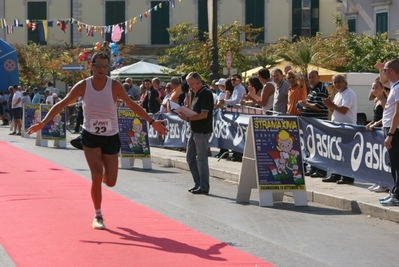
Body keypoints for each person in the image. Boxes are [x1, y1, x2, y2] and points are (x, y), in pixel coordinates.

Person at [27, 51, 167, 229]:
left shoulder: (114, 86)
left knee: (110, 181)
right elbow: (62, 103)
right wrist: (43, 123)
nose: (101, 69)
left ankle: (99, 179)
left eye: (104, 66)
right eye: (98, 65)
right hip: (90, 136)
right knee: (96, 174)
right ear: (91, 66)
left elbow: (132, 105)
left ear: (108, 68)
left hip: (110, 136)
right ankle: (98, 215)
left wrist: (152, 122)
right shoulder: (83, 86)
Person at [176, 72, 213, 195]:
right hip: (194, 129)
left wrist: (187, 118)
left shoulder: (205, 93)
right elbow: (195, 111)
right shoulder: (195, 93)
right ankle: (198, 184)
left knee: (201, 159)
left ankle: (204, 186)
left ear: (199, 81)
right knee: (190, 157)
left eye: (191, 84)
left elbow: (204, 114)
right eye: (188, 84)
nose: (190, 87)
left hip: (202, 130)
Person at [322, 74, 357, 185]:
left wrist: (331, 104)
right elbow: (334, 111)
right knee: (336, 152)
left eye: (338, 82)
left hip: (346, 127)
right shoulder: (338, 95)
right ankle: (335, 174)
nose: (336, 84)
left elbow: (344, 110)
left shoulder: (349, 93)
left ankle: (347, 177)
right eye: (335, 82)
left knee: (346, 153)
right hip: (337, 126)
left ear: (344, 82)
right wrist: (329, 105)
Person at [298, 70, 329, 178]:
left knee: (318, 148)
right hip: (310, 124)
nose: (311, 79)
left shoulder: (320, 89)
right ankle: (313, 168)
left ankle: (321, 170)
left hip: (318, 124)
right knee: (312, 148)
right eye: (309, 77)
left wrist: (305, 104)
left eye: (313, 77)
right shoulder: (313, 90)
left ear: (318, 77)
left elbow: (319, 107)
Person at [379, 59, 399, 206]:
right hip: (390, 128)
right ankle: (395, 192)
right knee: (393, 164)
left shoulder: (398, 88)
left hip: (395, 131)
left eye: (385, 70)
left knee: (396, 164)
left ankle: (397, 195)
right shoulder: (394, 85)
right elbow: (383, 82)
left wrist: (391, 134)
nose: (384, 73)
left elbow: (397, 113)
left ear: (391, 71)